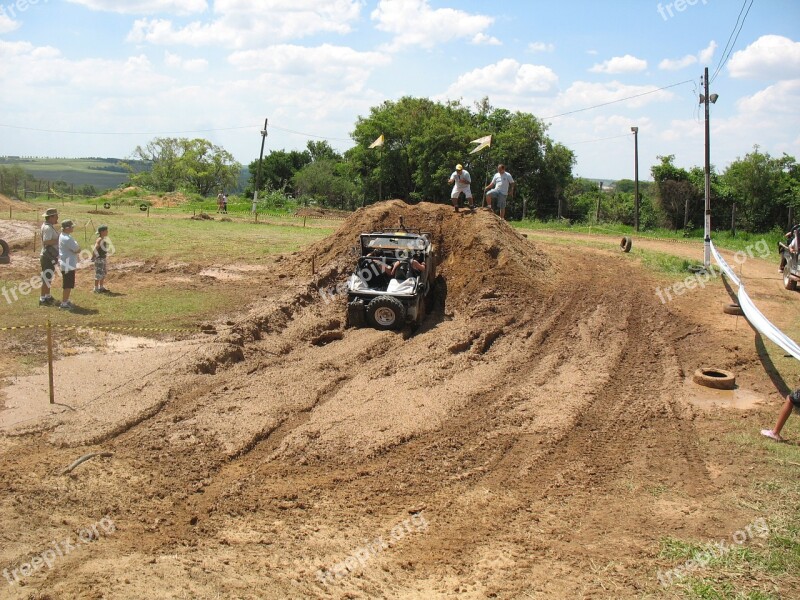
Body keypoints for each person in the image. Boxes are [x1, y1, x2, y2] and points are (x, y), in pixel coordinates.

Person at [38, 208, 60, 306]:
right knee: (46, 277)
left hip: (48, 255)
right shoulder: (47, 228)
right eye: (56, 216)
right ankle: (42, 299)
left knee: (48, 276)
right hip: (47, 256)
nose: (57, 218)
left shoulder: (48, 226)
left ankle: (47, 296)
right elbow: (46, 242)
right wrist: (59, 240)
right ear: (51, 217)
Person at [58, 220, 80, 310]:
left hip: (66, 263)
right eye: (72, 226)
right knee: (67, 284)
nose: (73, 228)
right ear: (67, 228)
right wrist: (77, 248)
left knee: (69, 284)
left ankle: (66, 300)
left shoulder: (64, 236)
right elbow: (77, 249)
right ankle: (64, 303)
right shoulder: (67, 238)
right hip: (68, 264)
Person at [92, 225, 111, 293]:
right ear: (102, 232)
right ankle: (96, 288)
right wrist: (93, 256)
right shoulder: (100, 239)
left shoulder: (103, 239)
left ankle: (101, 287)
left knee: (103, 273)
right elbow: (95, 248)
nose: (107, 231)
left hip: (103, 258)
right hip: (99, 259)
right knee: (99, 273)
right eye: (106, 230)